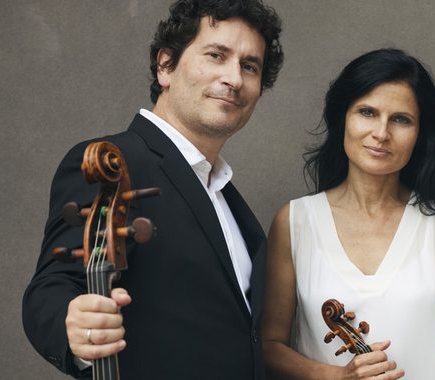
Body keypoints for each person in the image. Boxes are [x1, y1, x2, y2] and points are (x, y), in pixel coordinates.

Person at [21, 0, 283, 378]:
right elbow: (52, 287)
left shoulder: (223, 195)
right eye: (216, 55)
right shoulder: (114, 163)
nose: (234, 78)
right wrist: (72, 323)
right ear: (165, 65)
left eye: (249, 66)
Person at [261, 48, 435, 380]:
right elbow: (268, 346)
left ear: (419, 134)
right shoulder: (295, 222)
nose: (381, 133)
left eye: (401, 119)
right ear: (343, 117)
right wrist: (336, 376)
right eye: (367, 112)